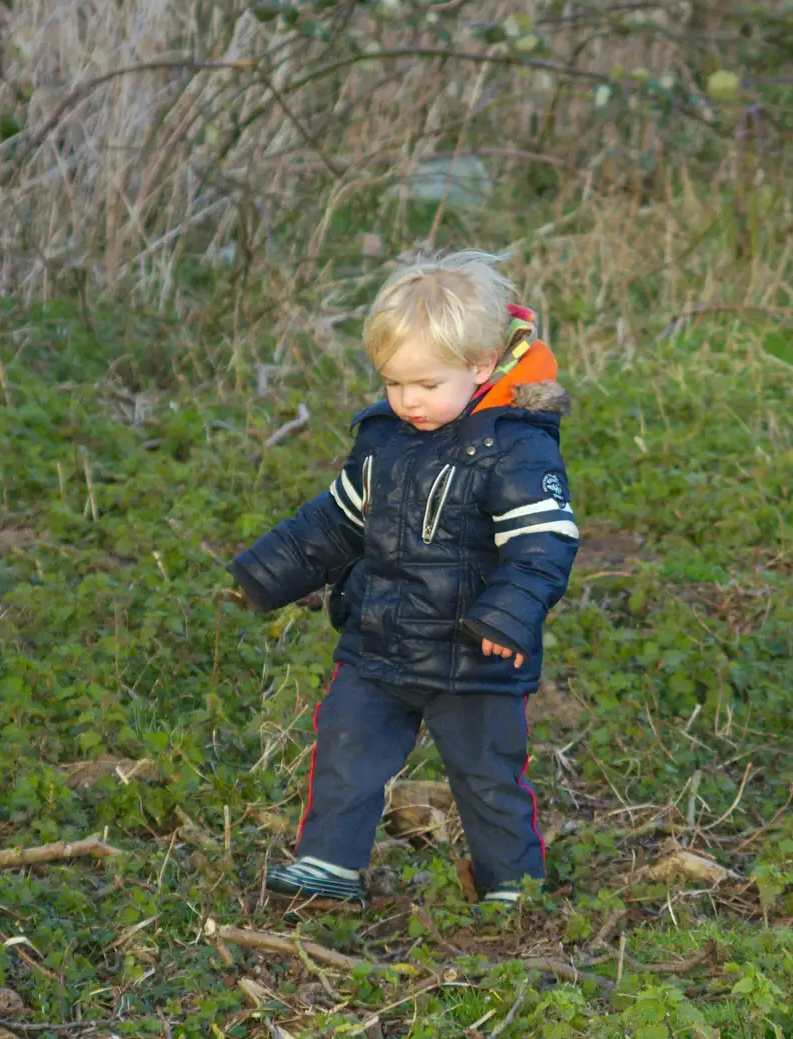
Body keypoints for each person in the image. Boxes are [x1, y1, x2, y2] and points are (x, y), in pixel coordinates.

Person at [229, 250, 578, 906]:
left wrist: (508, 616)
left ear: (479, 367)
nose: (407, 400)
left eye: (425, 384)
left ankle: (514, 884)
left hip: (474, 654)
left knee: (487, 775)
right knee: (345, 748)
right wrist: (264, 574)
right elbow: (335, 521)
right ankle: (329, 863)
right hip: (379, 642)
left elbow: (544, 543)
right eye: (394, 383)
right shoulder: (385, 439)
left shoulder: (517, 447)